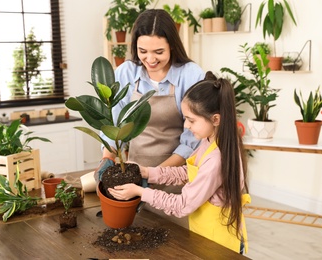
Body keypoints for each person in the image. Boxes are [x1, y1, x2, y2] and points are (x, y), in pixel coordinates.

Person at [108, 72, 251, 254]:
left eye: (191, 120)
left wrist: (140, 192)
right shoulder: (211, 140)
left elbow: (182, 205)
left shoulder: (217, 159)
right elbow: (187, 173)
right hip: (205, 235)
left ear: (215, 119)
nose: (186, 126)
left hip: (220, 244)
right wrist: (147, 172)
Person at [95, 9, 205, 181]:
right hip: (136, 174)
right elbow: (114, 121)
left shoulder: (191, 75)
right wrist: (107, 158)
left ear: (173, 46)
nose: (150, 59)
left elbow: (194, 137)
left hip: (178, 175)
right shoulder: (126, 72)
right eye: (143, 51)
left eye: (159, 52)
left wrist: (154, 174)